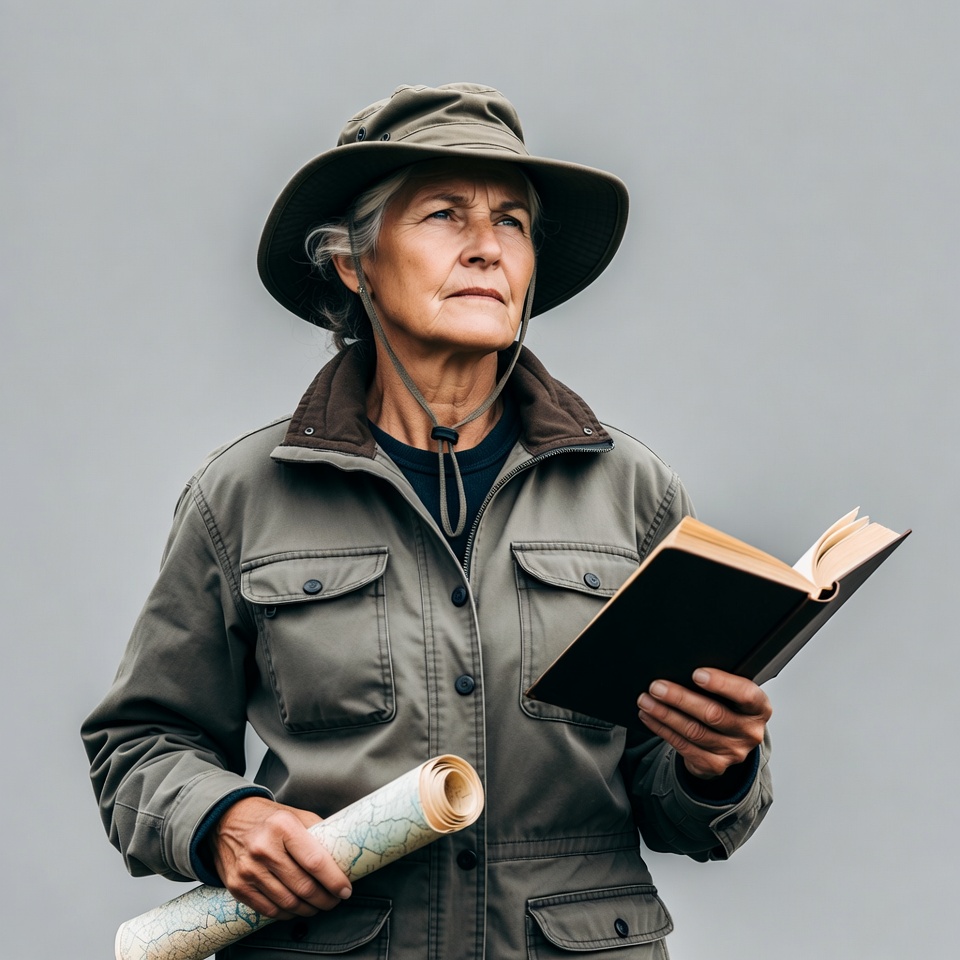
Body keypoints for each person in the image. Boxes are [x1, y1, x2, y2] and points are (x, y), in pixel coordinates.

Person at [83, 82, 772, 959]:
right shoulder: (242, 495)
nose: (487, 247)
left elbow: (685, 813)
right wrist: (223, 819)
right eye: (446, 214)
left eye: (512, 222)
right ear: (354, 262)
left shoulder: (633, 493)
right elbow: (139, 744)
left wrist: (717, 765)